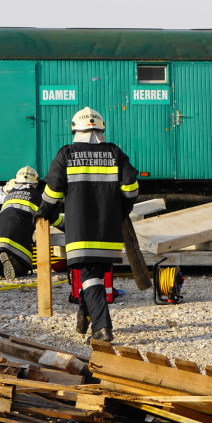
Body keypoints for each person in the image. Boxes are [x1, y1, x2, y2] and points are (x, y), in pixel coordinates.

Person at [37, 106, 138, 342]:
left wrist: (44, 212)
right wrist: (122, 210)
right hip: (109, 228)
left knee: (90, 275)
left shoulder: (67, 153)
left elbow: (52, 189)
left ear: (74, 128)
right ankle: (84, 317)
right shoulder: (114, 152)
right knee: (95, 274)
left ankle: (102, 328)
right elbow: (131, 187)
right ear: (102, 128)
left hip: (81, 229)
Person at [0, 166, 63, 281]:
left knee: (0, 268)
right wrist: (67, 227)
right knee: (23, 267)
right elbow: (54, 218)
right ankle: (12, 262)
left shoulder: (8, 196)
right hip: (18, 236)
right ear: (35, 182)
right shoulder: (38, 196)